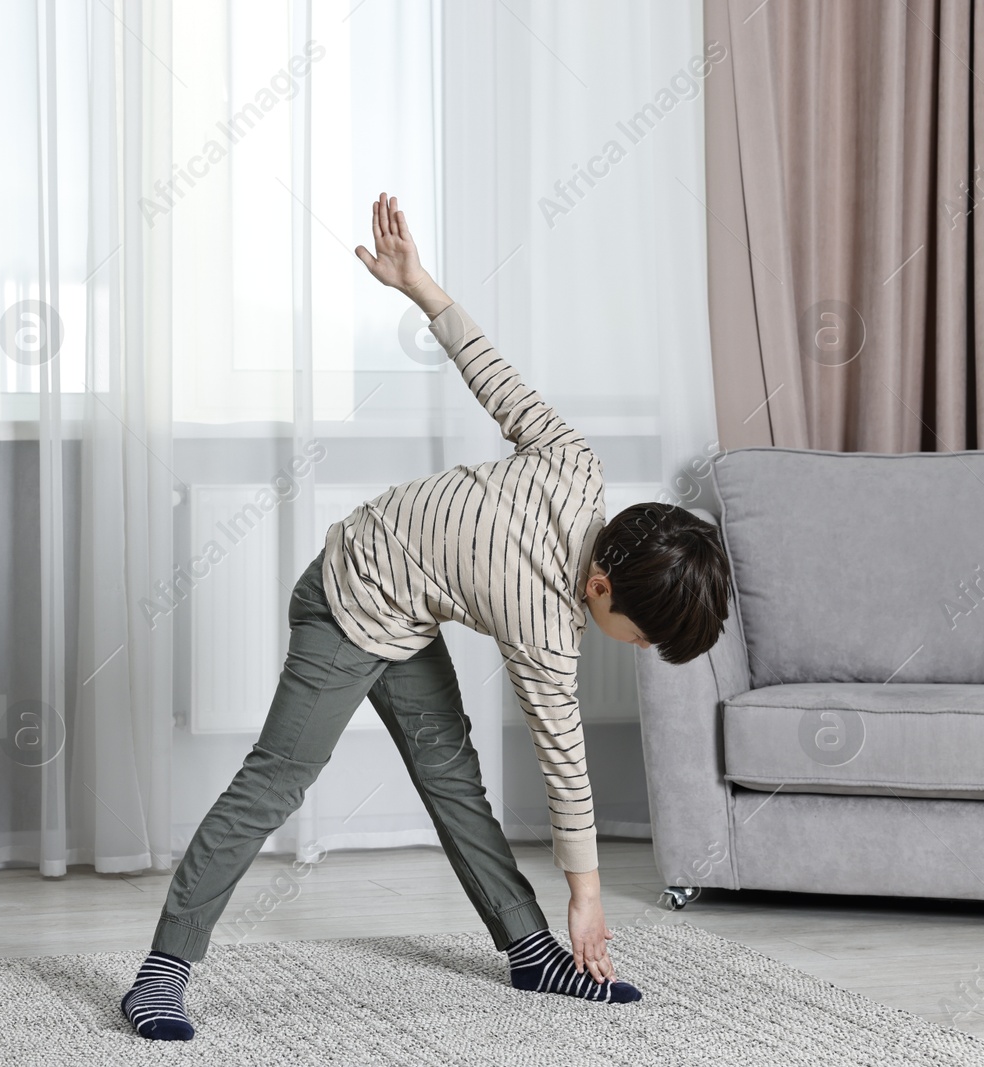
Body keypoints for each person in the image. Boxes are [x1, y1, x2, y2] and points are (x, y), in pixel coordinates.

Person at [121, 193, 733, 1041]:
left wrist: (421, 286)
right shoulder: (544, 623)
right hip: (344, 599)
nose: (638, 651)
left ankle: (529, 951)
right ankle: (162, 970)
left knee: (454, 782)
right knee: (276, 780)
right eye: (644, 637)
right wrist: (588, 897)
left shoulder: (575, 465)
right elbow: (566, 763)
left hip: (406, 615)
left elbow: (491, 371)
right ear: (600, 586)